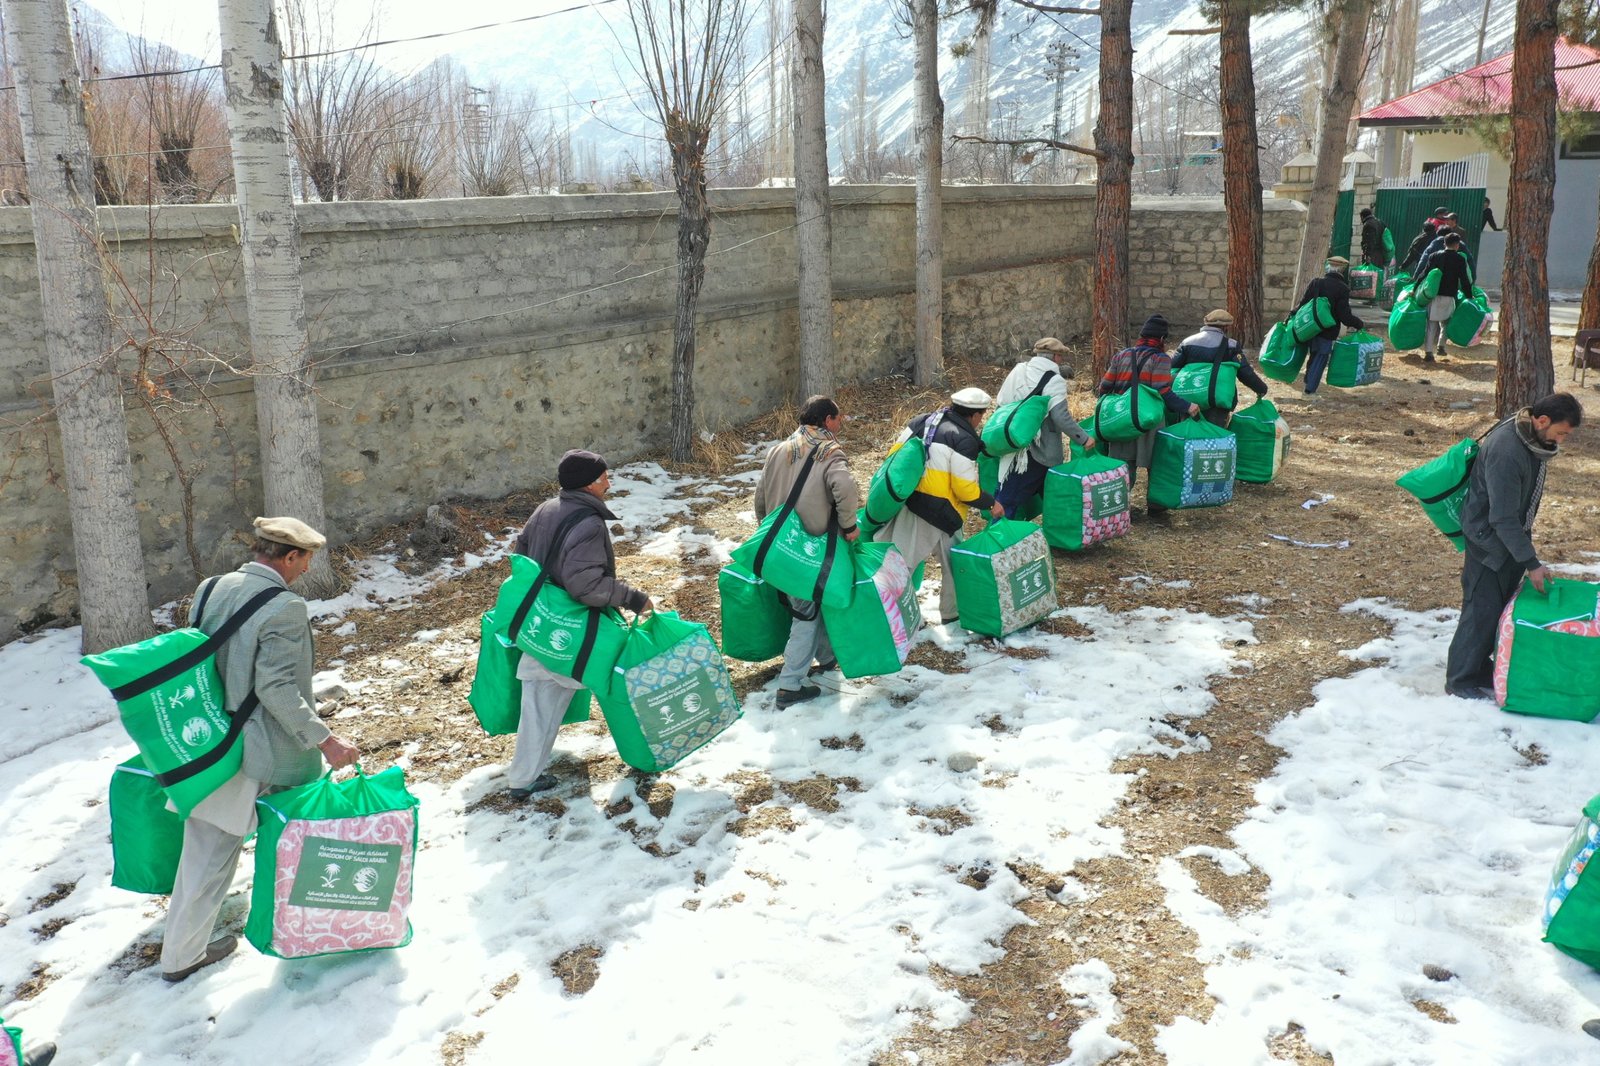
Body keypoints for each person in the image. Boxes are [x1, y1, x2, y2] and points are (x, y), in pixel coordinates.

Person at [161, 517, 360, 983]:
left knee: (209, 846)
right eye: (306, 559)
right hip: (249, 750)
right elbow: (276, 686)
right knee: (211, 852)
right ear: (289, 556)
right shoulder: (284, 606)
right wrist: (324, 740)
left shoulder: (212, 587)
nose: (307, 569)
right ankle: (181, 958)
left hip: (205, 736)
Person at [509, 450, 653, 796]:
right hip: (575, 632)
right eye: (604, 476)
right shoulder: (587, 523)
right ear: (589, 484)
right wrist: (633, 597)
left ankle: (523, 778)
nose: (608, 482)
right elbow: (585, 585)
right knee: (617, 683)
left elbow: (522, 556)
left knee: (539, 703)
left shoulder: (546, 509)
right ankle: (648, 751)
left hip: (544, 623)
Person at [1444, 393, 1583, 701]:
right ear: (1542, 420)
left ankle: (1479, 667)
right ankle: (1460, 680)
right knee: (1480, 611)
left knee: (1496, 609)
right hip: (1488, 541)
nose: (1562, 440)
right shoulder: (1508, 450)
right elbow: (1502, 517)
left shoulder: (1529, 438)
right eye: (1561, 432)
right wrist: (1531, 563)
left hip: (1507, 539)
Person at [752, 396, 860, 708]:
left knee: (814, 602)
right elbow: (845, 487)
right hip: (810, 552)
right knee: (807, 614)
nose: (840, 424)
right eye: (838, 418)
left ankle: (827, 659)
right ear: (827, 420)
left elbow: (760, 496)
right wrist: (849, 525)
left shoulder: (780, 449)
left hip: (780, 546)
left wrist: (770, 530)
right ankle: (790, 685)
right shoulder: (829, 452)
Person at [875, 387, 1003, 625]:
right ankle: (900, 616)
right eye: (981, 416)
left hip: (914, 501)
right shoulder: (964, 440)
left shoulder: (922, 420)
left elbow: (895, 455)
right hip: (938, 513)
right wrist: (990, 502)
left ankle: (949, 613)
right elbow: (965, 489)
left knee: (947, 561)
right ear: (975, 415)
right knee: (913, 565)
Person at [1097, 314, 1199, 519]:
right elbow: (1162, 390)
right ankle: (1156, 506)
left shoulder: (1122, 355)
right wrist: (1187, 406)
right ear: (1161, 339)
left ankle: (1117, 509)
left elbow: (1104, 387)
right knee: (1155, 463)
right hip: (1149, 421)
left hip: (1122, 420)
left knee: (1124, 466)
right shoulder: (1160, 359)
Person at [993, 338, 1094, 518]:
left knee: (1049, 495)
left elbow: (1001, 403)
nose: (1061, 360)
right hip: (1039, 452)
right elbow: (1060, 416)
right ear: (1055, 357)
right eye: (1060, 356)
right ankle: (998, 540)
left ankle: (1058, 534)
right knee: (1008, 500)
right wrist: (1083, 438)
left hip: (1013, 443)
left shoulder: (1018, 370)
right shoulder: (1054, 380)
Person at [1171, 309, 1270, 428]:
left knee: (1187, 434)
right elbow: (1245, 372)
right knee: (1214, 435)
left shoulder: (1187, 343)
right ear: (1226, 327)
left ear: (1206, 324)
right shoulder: (1231, 345)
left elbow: (1173, 368)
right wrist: (1261, 388)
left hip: (1189, 399)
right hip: (1217, 402)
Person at [1292, 256, 1365, 397]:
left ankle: (1308, 383)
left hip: (1308, 328)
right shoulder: (1342, 288)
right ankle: (1309, 391)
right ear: (1342, 270)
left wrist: (1293, 315)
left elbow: (1302, 304)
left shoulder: (1316, 283)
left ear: (1328, 267)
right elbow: (1345, 316)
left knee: (1313, 357)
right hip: (1327, 331)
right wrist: (1359, 324)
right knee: (1320, 358)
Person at [1419, 233, 1475, 363]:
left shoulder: (1434, 256)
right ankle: (1441, 347)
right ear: (1457, 245)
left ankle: (1428, 353)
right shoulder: (1460, 259)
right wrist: (1469, 296)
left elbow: (1424, 273)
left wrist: (1415, 287)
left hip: (1433, 295)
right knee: (1446, 323)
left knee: (1431, 325)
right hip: (1449, 296)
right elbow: (1465, 280)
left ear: (1444, 243)